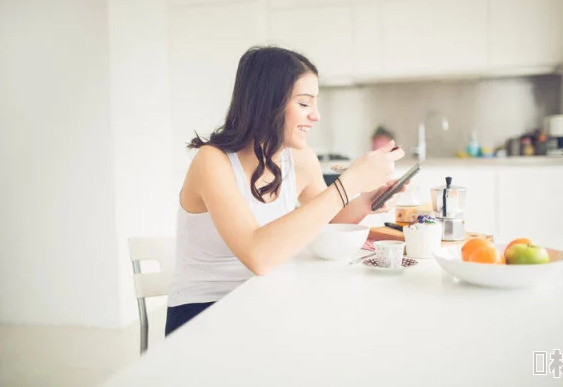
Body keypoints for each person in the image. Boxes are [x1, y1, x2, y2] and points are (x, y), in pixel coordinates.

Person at [165, 46, 405, 336]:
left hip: (264, 298)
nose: (316, 116)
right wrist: (349, 181)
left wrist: (367, 200)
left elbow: (325, 221)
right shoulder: (212, 161)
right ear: (268, 104)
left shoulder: (300, 159)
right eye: (305, 103)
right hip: (203, 312)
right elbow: (258, 256)